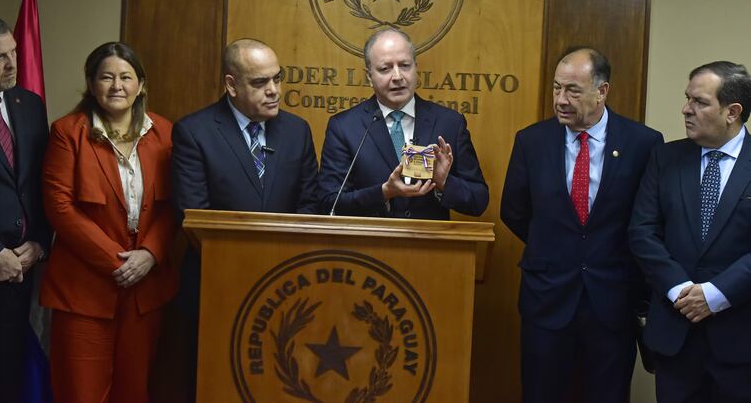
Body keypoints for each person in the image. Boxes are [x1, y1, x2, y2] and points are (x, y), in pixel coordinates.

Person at [500, 47, 663, 403]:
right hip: (547, 297)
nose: (560, 99)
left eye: (572, 90)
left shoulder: (643, 144)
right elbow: (514, 210)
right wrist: (557, 247)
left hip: (612, 301)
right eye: (557, 88)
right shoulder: (532, 141)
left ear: (602, 91)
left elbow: (648, 220)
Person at [171, 38, 318, 401]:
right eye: (259, 83)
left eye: (277, 79)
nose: (273, 91)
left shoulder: (297, 131)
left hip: (287, 287)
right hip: (217, 285)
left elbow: (311, 203)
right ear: (231, 85)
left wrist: (280, 266)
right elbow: (195, 215)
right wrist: (250, 264)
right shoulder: (195, 132)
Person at [40, 42, 178, 403]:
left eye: (126, 77)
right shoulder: (68, 132)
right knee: (81, 392)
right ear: (91, 83)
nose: (117, 86)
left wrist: (149, 254)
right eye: (106, 77)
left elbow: (174, 205)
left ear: (141, 85)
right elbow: (60, 207)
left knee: (134, 392)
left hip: (145, 291)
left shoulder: (165, 133)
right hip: (83, 289)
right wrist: (117, 262)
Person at [629, 61, 751, 403]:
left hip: (740, 339)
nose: (686, 109)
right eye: (687, 99)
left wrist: (715, 294)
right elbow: (642, 232)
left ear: (732, 111)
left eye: (699, 101)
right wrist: (681, 290)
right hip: (675, 335)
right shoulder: (664, 158)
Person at [317, 28, 488, 219]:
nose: (397, 76)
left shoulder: (449, 123)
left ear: (416, 67)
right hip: (367, 245)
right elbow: (328, 202)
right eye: (385, 69)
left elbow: (479, 201)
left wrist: (444, 182)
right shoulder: (344, 127)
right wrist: (383, 192)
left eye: (405, 65)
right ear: (369, 76)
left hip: (432, 245)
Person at [0, 11, 50, 403]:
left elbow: (40, 183)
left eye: (14, 52)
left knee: (8, 376)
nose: (12, 65)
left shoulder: (29, 104)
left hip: (19, 271)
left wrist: (40, 243)